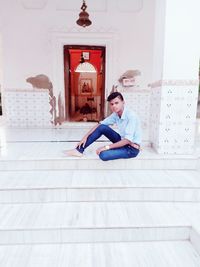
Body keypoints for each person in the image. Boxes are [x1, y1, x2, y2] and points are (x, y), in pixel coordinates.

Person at [65, 92, 142, 161]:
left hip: (131, 149)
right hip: (123, 142)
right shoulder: (115, 115)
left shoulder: (131, 116)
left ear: (123, 102)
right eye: (112, 104)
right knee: (102, 127)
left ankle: (118, 150)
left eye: (116, 103)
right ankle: (79, 150)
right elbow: (100, 125)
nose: (114, 106)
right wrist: (85, 136)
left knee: (103, 154)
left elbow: (127, 140)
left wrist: (106, 147)